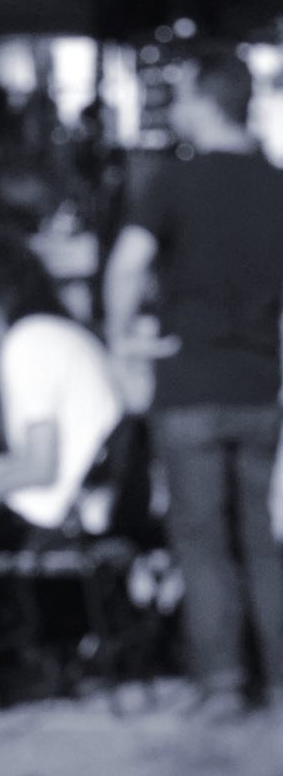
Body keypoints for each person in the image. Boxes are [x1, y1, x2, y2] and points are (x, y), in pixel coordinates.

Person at [105, 45, 283, 716]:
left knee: (202, 541)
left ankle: (223, 683)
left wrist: (123, 337)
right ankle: (278, 675)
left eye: (180, 95)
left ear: (207, 102)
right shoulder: (278, 183)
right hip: (260, 382)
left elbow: (127, 266)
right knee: (263, 541)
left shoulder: (173, 182)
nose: (173, 108)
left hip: (190, 382)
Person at [0, 228, 123, 548]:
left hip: (56, 522)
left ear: (2, 288)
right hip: (88, 503)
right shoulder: (56, 332)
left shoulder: (27, 342)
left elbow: (41, 467)